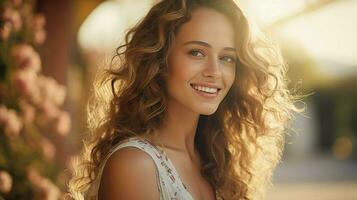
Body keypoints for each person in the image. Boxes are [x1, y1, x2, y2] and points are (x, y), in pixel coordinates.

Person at [68, 0, 298, 199]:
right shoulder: (135, 165)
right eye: (197, 52)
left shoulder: (216, 161)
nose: (214, 71)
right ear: (160, 59)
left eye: (227, 57)